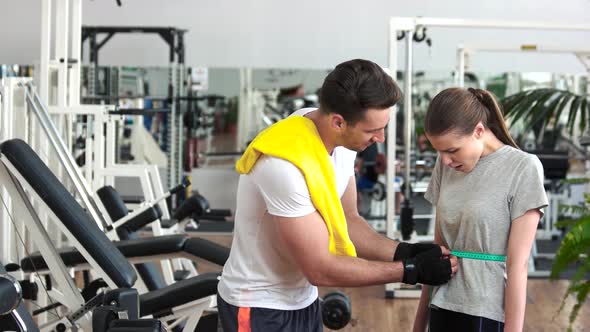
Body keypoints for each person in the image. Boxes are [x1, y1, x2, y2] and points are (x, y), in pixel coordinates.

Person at [217, 59, 458, 332]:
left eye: (383, 127)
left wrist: (404, 250)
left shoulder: (338, 138)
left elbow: (348, 219)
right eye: (372, 130)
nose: (380, 138)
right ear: (338, 122)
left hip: (303, 300)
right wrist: (410, 270)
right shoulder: (283, 164)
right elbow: (320, 268)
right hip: (259, 305)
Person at [412, 88, 549, 332]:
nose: (445, 160)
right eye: (438, 151)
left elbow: (518, 265)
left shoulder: (523, 167)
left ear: (478, 131)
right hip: (442, 304)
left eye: (452, 150)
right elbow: (438, 250)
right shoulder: (446, 165)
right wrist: (419, 323)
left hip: (485, 311)